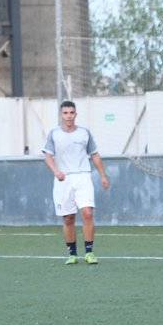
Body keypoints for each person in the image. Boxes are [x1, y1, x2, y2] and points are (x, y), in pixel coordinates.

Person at [42, 100, 110, 265]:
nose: (69, 116)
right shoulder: (53, 134)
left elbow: (94, 154)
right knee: (68, 218)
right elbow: (47, 156)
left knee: (87, 212)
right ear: (60, 115)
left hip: (83, 177)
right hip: (63, 180)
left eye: (71, 113)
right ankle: (72, 254)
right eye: (65, 113)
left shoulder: (84, 133)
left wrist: (103, 175)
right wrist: (56, 171)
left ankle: (89, 252)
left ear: (76, 114)